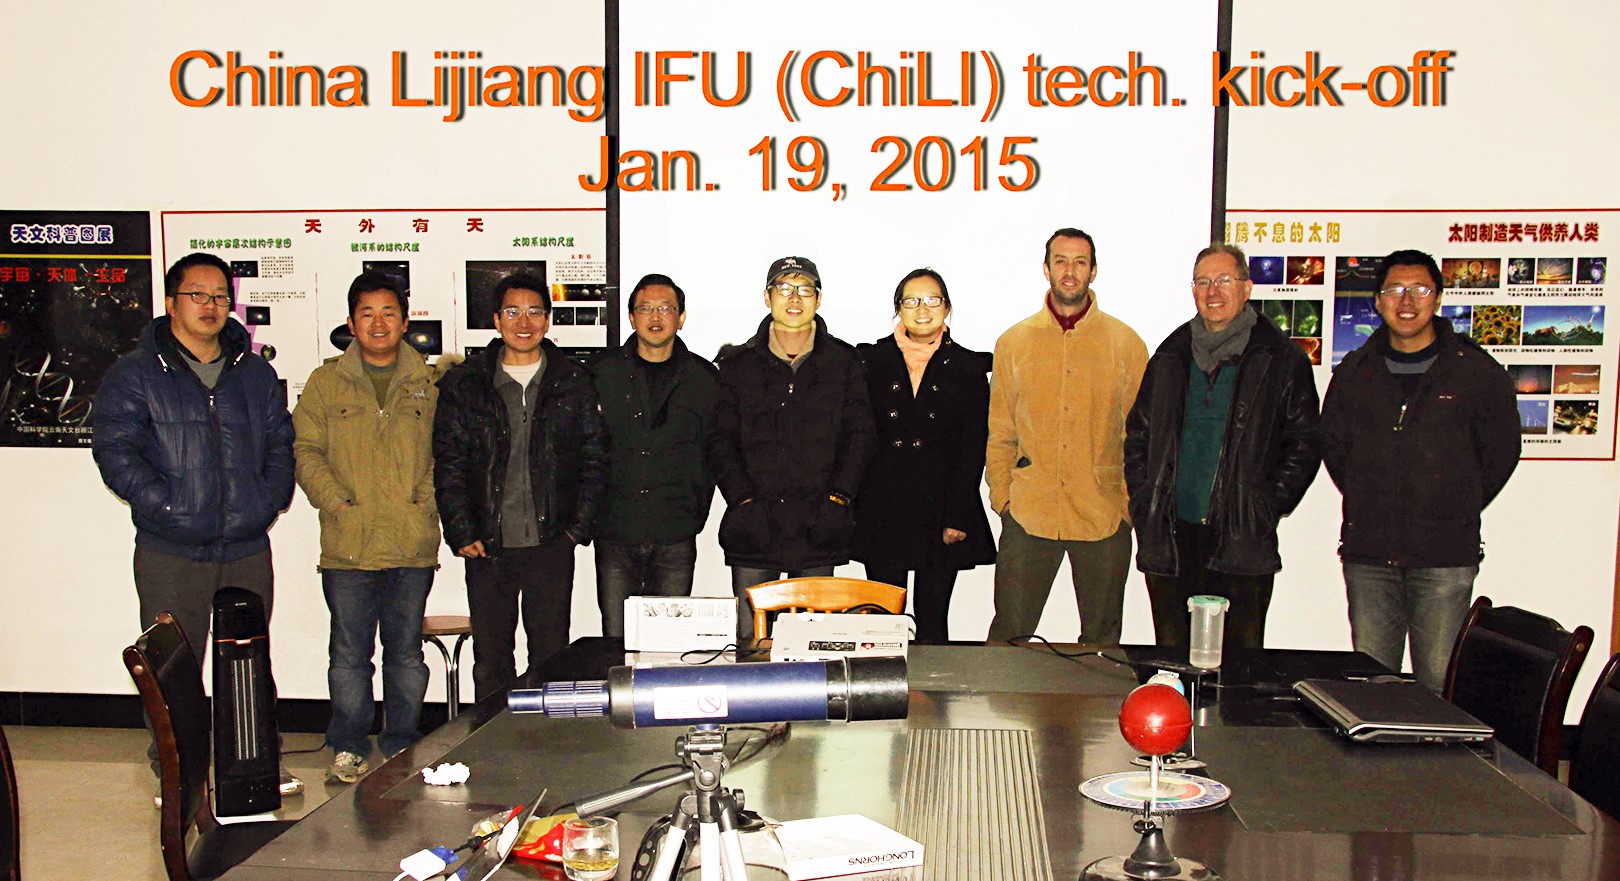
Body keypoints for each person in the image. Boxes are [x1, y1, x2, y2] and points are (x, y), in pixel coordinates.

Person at [93, 251, 300, 794]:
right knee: (172, 672)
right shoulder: (135, 373)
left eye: (220, 297)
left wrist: (266, 502)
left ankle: (256, 766)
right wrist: (167, 506)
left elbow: (281, 443)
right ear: (171, 303)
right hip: (170, 549)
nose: (211, 306)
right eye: (197, 295)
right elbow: (115, 452)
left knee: (247, 663)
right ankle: (177, 775)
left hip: (245, 546)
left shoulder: (253, 372)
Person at [1321, 249, 1520, 691]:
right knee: (1374, 684)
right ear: (1378, 301)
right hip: (1370, 556)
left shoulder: (1476, 372)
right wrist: (1370, 496)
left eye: (1420, 290)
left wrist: (1453, 503)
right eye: (1395, 290)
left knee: (1439, 684)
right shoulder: (1355, 372)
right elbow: (1334, 448)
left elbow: (1501, 452)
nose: (1406, 301)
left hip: (1444, 556)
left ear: (1439, 298)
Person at [1124, 244, 1322, 649]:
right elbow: (1138, 435)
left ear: (1246, 288)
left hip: (1241, 536)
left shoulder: (1281, 360)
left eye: (1224, 280)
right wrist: (1145, 500)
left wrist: (1264, 505)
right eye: (1203, 282)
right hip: (1172, 538)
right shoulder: (1170, 356)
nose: (1213, 291)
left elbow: (1303, 443)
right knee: (1173, 661)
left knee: (1239, 663)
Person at [292, 271, 443, 783]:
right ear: (352, 322)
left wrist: (425, 499)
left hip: (410, 539)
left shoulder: (429, 383)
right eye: (367, 314)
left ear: (405, 320)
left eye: (388, 313)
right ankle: (349, 743)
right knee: (349, 655)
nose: (379, 323)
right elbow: (305, 450)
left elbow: (448, 452)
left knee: (406, 654)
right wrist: (336, 502)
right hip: (348, 541)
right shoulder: (325, 382)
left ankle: (403, 742)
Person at [432, 272, 609, 700]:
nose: (524, 322)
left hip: (551, 542)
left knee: (551, 655)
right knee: (492, 659)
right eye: (513, 312)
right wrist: (461, 529)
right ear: (496, 320)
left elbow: (595, 459)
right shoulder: (467, 383)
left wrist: (575, 531)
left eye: (534, 312)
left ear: (548, 320)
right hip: (487, 544)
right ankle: (492, 735)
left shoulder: (573, 381)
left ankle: (545, 739)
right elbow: (449, 462)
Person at [985, 228, 1147, 645]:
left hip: (1103, 514)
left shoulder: (1126, 344)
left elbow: (1140, 437)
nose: (1069, 271)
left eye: (1079, 262)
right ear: (1046, 269)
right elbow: (1001, 431)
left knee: (1102, 642)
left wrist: (1126, 507)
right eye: (1060, 261)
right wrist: (1003, 498)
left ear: (1094, 271)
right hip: (1029, 511)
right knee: (1008, 637)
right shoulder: (1014, 343)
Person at [707, 256, 875, 642]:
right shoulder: (737, 365)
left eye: (804, 289)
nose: (794, 298)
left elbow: (860, 437)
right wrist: (743, 500)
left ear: (819, 299)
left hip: (820, 526)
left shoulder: (844, 362)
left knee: (811, 647)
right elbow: (719, 441)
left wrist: (838, 500)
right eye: (784, 288)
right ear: (767, 297)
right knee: (752, 644)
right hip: (754, 527)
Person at [853, 268, 995, 644]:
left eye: (932, 300)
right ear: (898, 309)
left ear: (946, 308)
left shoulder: (968, 367)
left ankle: (933, 684)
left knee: (933, 623)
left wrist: (958, 515)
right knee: (883, 625)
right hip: (882, 508)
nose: (922, 309)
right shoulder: (868, 361)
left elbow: (973, 448)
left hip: (942, 508)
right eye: (911, 301)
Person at [589, 273, 719, 637]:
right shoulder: (601, 373)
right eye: (645, 308)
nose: (656, 316)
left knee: (669, 644)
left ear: (681, 317)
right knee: (616, 640)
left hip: (675, 531)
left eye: (666, 308)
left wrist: (693, 512)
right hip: (615, 529)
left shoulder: (703, 378)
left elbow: (712, 453)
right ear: (631, 317)